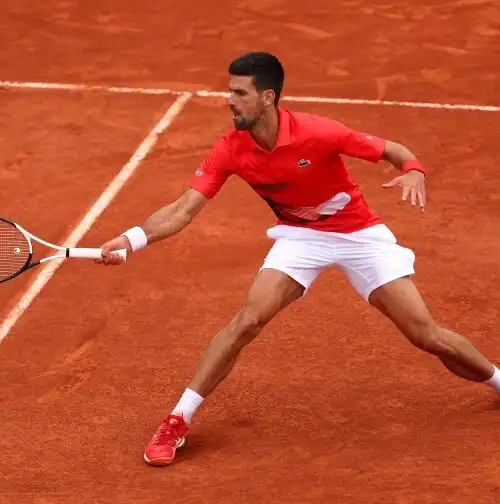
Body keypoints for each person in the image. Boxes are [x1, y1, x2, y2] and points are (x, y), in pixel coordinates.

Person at [97, 52, 499, 467]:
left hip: (358, 235)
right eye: (229, 90)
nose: (228, 100)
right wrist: (132, 239)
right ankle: (177, 419)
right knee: (247, 320)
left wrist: (414, 168)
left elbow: (392, 150)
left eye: (239, 92)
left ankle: (498, 380)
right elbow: (183, 209)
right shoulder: (231, 149)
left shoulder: (318, 132)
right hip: (301, 237)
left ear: (267, 97)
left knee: (426, 335)